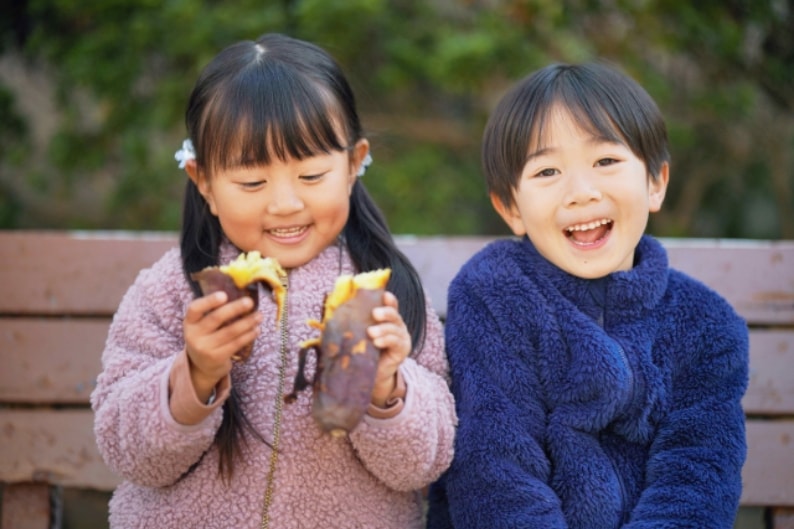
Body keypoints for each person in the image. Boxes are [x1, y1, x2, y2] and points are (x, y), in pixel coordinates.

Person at [91, 33, 456, 529]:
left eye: (310, 176)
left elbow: (420, 468)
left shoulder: (389, 297)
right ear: (204, 183)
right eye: (251, 183)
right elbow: (129, 454)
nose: (285, 203)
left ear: (352, 166)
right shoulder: (173, 291)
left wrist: (386, 390)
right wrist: (193, 376)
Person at [426, 61, 748, 529]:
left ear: (655, 182)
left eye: (606, 161)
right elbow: (494, 469)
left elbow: (698, 478)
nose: (581, 192)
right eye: (548, 171)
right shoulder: (493, 294)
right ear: (511, 207)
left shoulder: (706, 325)